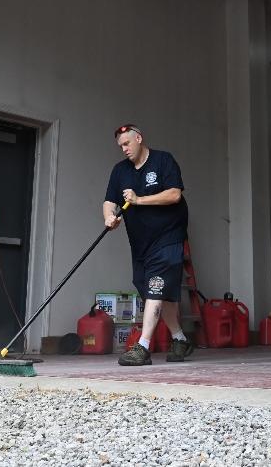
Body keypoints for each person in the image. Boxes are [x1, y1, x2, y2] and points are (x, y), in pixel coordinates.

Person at [103, 124, 194, 366]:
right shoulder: (120, 171)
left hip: (168, 237)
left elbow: (175, 194)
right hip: (141, 243)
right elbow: (109, 201)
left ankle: (142, 347)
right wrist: (109, 217)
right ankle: (180, 339)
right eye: (121, 146)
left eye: (127, 143)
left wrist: (139, 200)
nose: (124, 149)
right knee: (152, 290)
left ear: (139, 138)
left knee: (155, 286)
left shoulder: (163, 161)